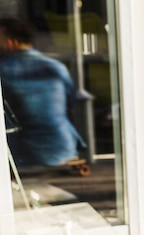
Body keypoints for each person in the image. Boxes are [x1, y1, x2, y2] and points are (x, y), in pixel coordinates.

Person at [0, 17, 85, 168]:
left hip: (25, 153)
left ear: (11, 42)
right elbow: (70, 101)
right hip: (64, 147)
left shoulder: (4, 69)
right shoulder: (56, 67)